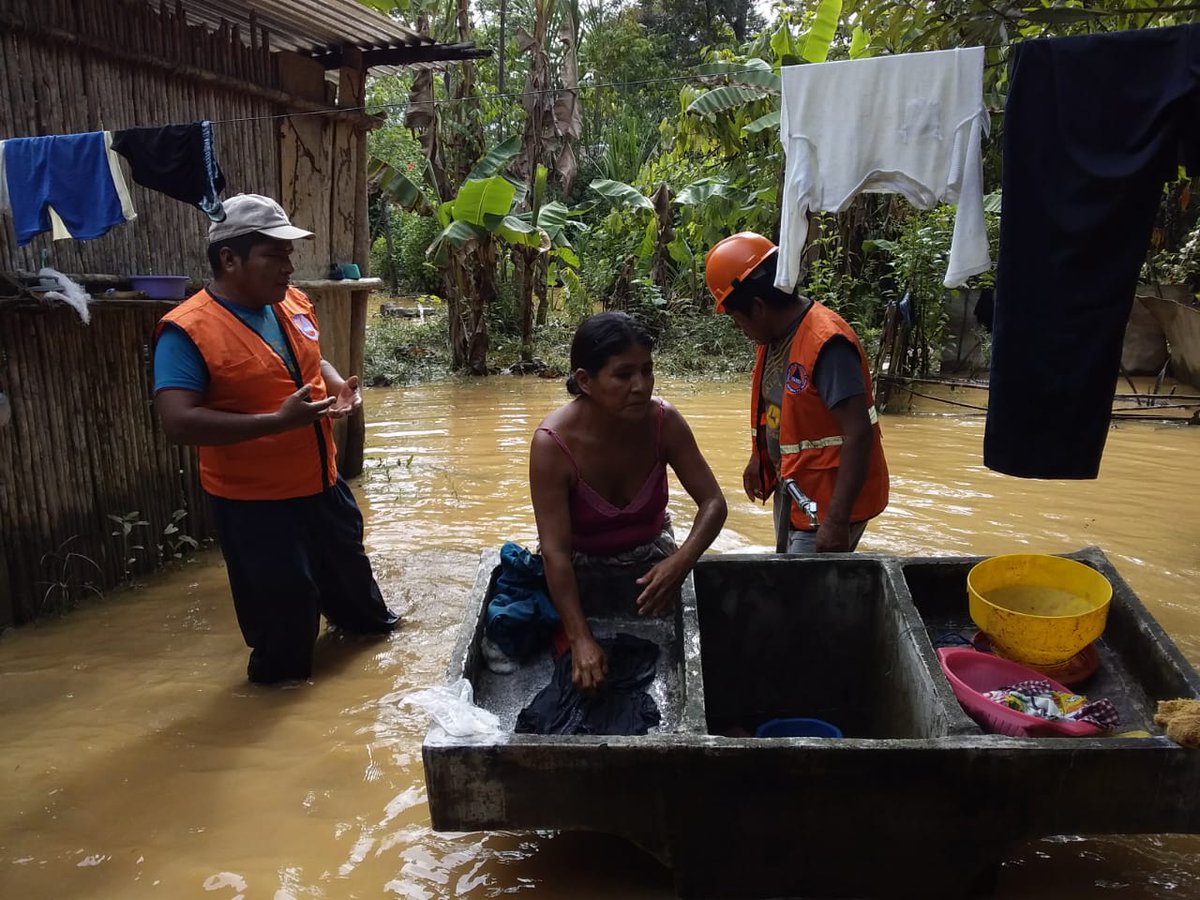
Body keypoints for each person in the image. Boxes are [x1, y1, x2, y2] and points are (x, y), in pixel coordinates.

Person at [152, 193, 399, 685]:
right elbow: (177, 422)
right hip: (255, 508)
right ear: (230, 259)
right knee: (284, 643)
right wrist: (275, 422)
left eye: (289, 253)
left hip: (322, 489)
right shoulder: (187, 330)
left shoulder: (290, 300)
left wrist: (335, 386)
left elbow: (314, 359)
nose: (289, 266)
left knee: (368, 620)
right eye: (275, 254)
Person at [529, 312, 727, 692]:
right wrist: (580, 638)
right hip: (580, 572)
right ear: (585, 381)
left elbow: (713, 502)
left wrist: (680, 561)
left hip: (653, 566)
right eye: (623, 375)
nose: (641, 386)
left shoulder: (663, 423)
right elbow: (554, 552)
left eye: (647, 370)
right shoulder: (553, 444)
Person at [705, 231, 889, 553]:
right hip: (796, 493)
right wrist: (760, 456)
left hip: (826, 509)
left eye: (736, 318)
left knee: (804, 599)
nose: (738, 329)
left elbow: (859, 433)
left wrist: (835, 521)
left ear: (758, 308)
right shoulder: (775, 337)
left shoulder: (826, 344)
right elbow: (781, 410)